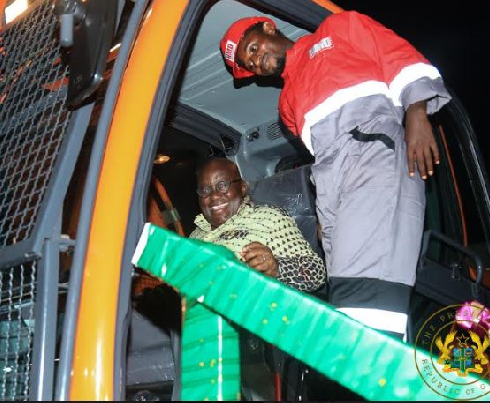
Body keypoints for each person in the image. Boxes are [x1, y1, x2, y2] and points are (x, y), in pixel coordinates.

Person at [219, 10, 452, 339]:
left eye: (253, 48)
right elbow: (322, 157)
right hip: (331, 185)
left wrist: (417, 114)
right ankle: (365, 367)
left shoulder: (337, 29)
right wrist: (325, 217)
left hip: (372, 157)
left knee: (368, 293)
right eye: (249, 63)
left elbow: (397, 55)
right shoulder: (286, 105)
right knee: (344, 291)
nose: (256, 62)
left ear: (268, 28)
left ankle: (371, 364)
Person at [189, 157, 326, 401]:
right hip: (196, 333)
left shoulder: (268, 219)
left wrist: (276, 267)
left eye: (222, 185)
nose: (213, 196)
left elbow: (315, 272)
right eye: (205, 190)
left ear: (241, 187)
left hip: (252, 332)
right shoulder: (194, 235)